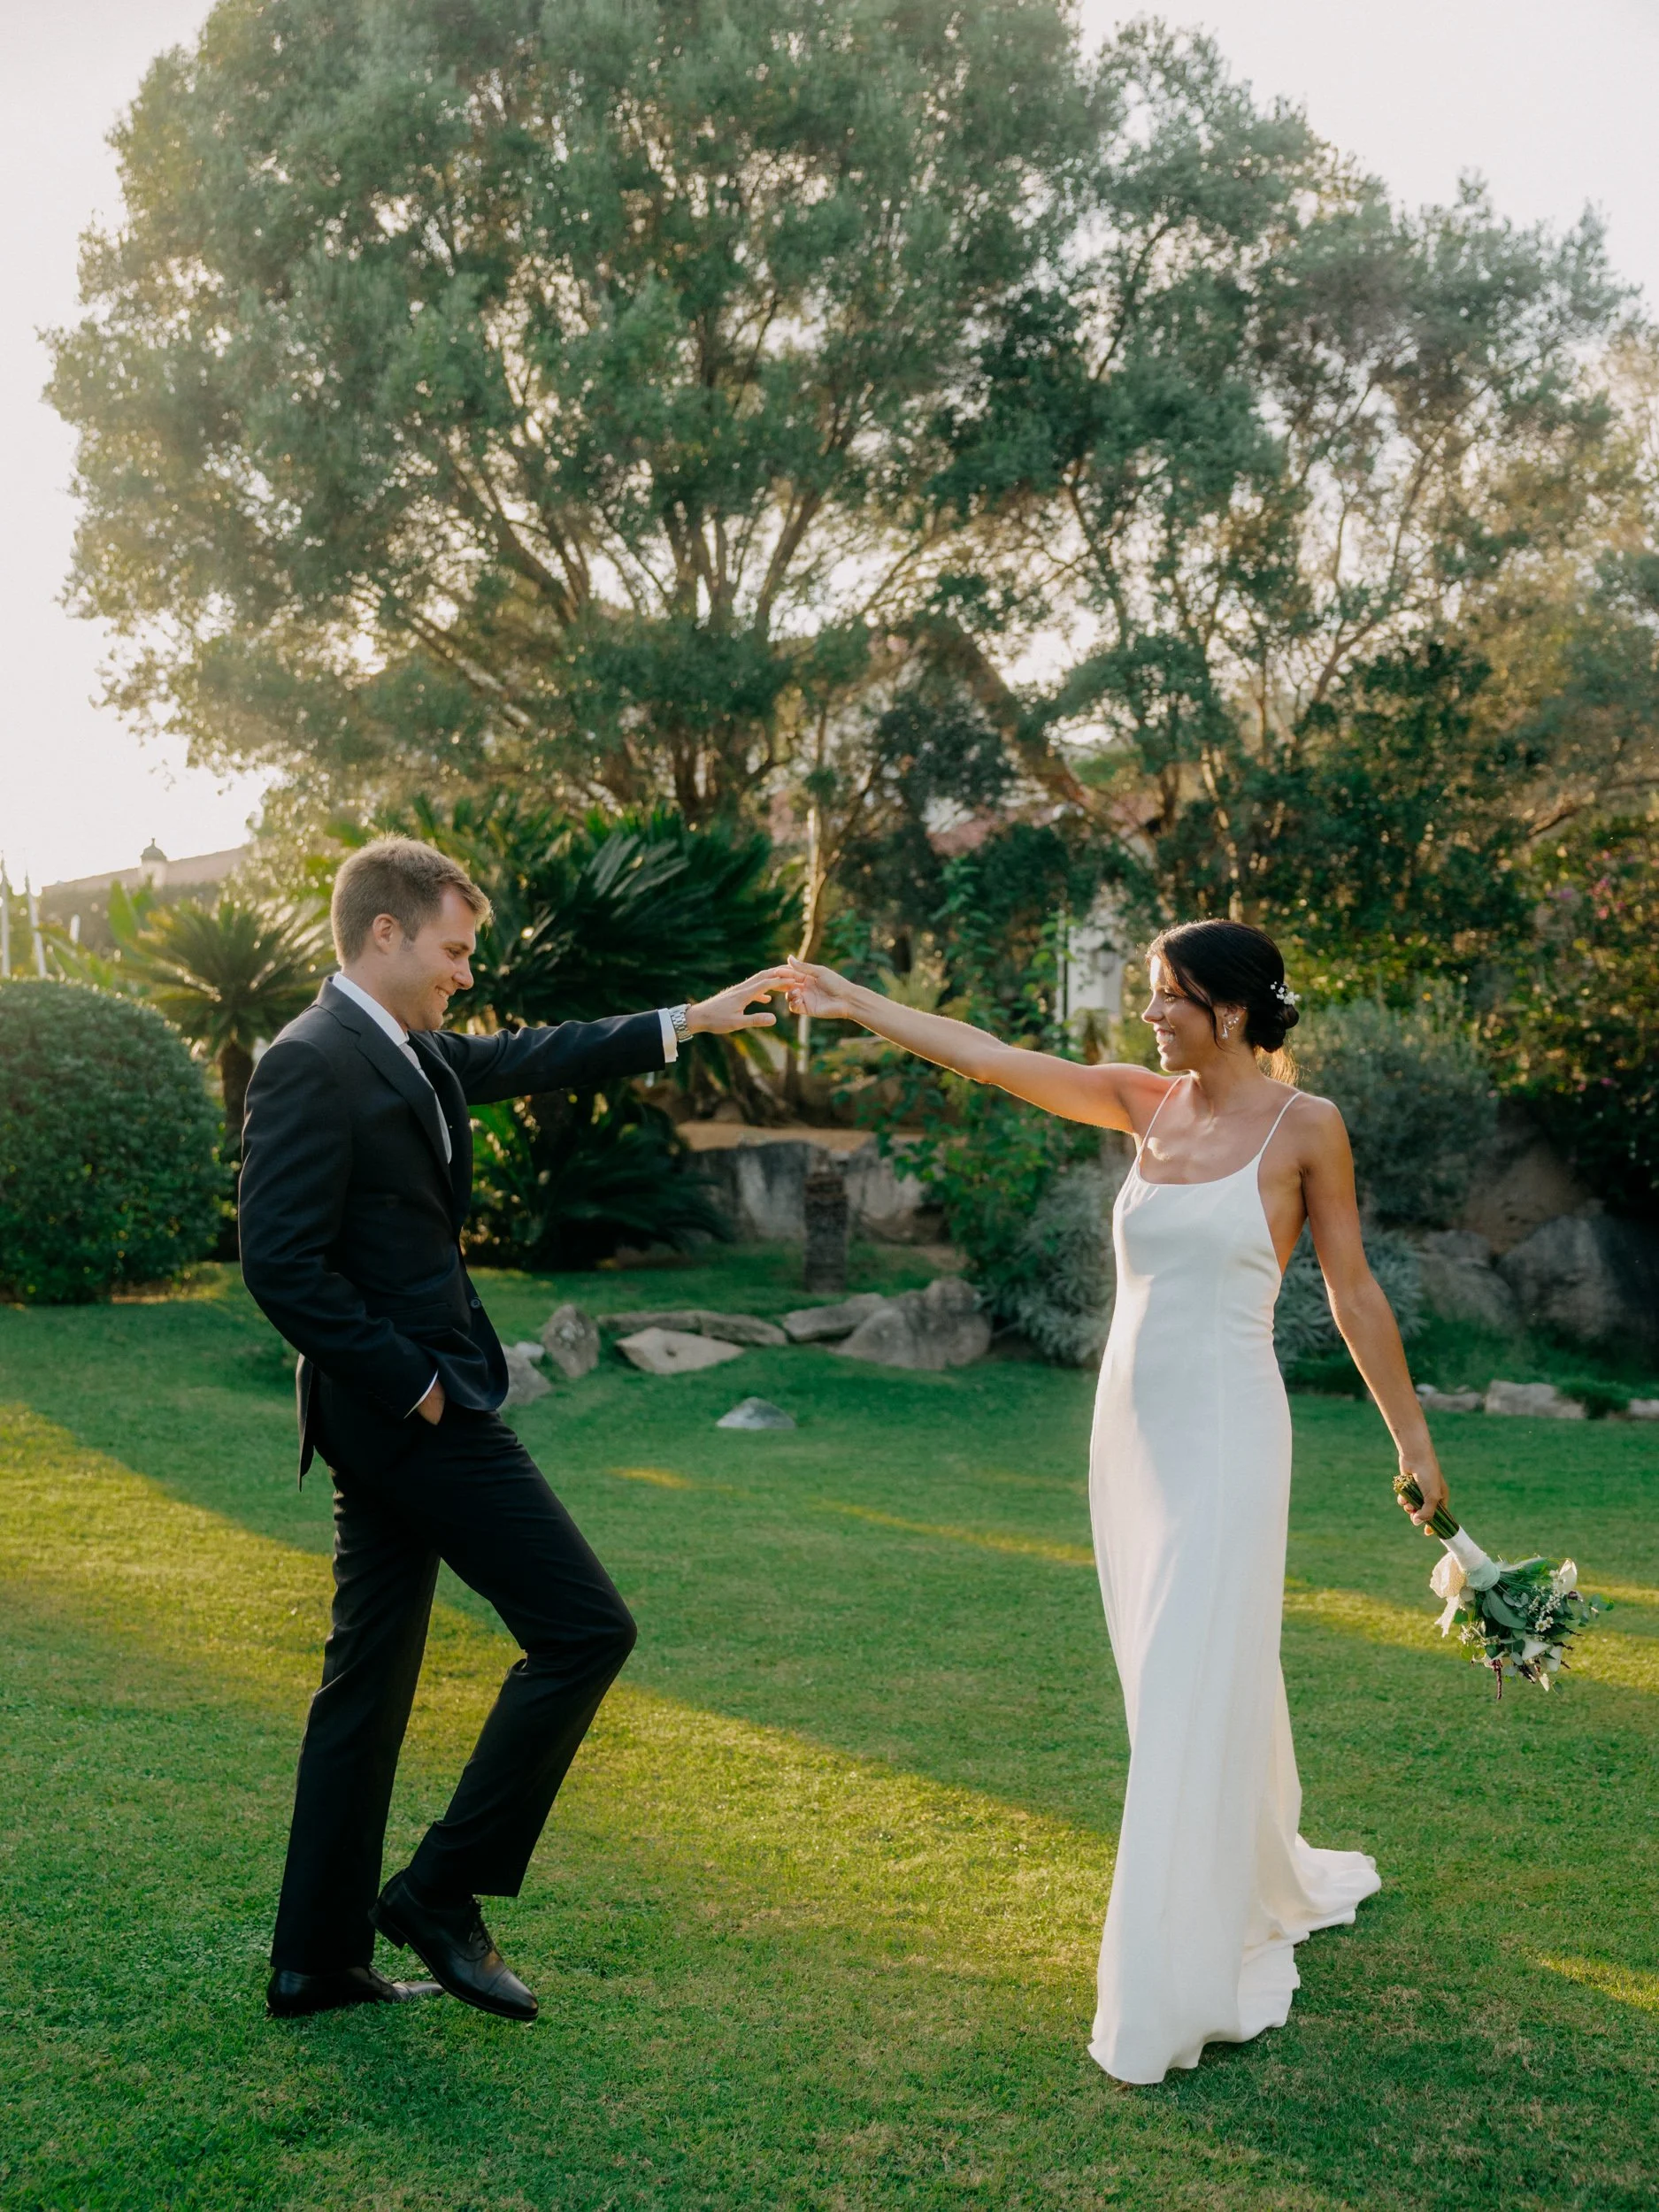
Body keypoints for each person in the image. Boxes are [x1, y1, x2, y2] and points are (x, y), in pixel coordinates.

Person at [781, 920, 1449, 2085]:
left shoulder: (1307, 1131)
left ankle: (1167, 1987)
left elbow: (1350, 1292)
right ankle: (1241, 1867)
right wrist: (850, 1000)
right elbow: (985, 1056)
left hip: (1233, 1438)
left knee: (1193, 1671)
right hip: (1130, 1439)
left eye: (1167, 998)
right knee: (1170, 1686)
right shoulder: (1142, 1103)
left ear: (1231, 1010)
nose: (1147, 1015)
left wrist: (1413, 1443)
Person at [240, 836, 786, 2022]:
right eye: (453, 950)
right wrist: (412, 1386)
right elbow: (278, 1264)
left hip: (398, 1413)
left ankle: (315, 1960)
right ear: (382, 934)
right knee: (585, 1629)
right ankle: (439, 1894)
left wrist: (691, 1018)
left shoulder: (411, 1051)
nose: (466, 973)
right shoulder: (310, 1062)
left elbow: (537, 1055)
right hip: (408, 1414)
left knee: (366, 1682)